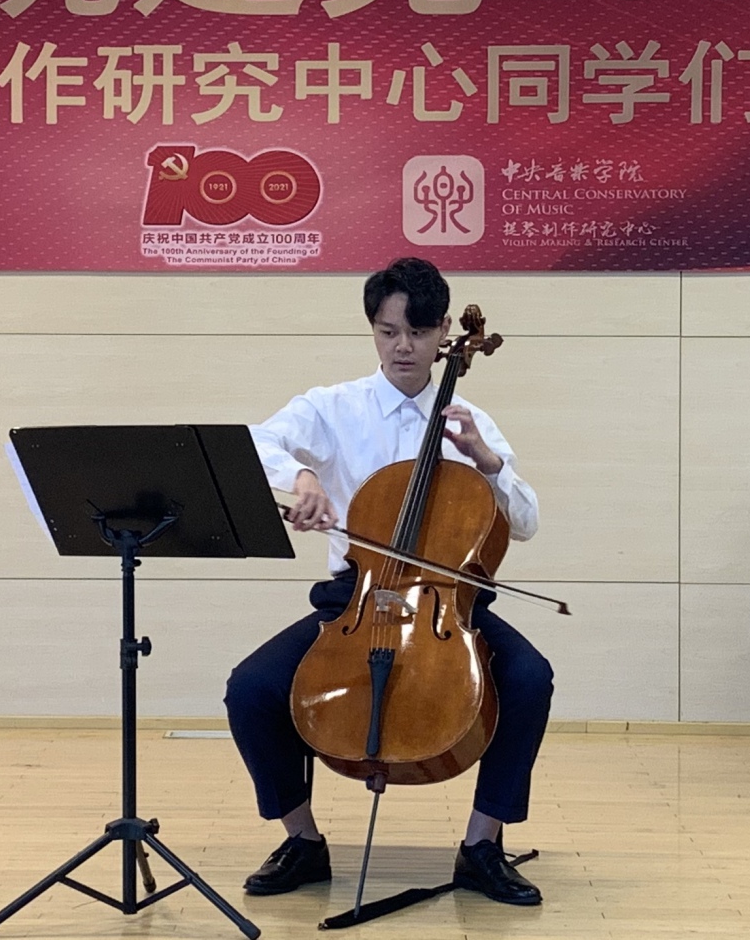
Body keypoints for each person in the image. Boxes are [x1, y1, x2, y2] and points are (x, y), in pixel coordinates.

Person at [226, 256, 553, 907]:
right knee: (252, 689)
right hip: (355, 596)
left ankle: (482, 845)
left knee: (529, 679)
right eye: (388, 331)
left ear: (443, 333)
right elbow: (256, 443)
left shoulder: (470, 421)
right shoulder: (332, 407)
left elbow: (524, 522)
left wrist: (488, 463)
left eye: (419, 332)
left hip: (447, 603)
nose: (403, 346)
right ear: (373, 329)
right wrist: (301, 478)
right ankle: (302, 841)